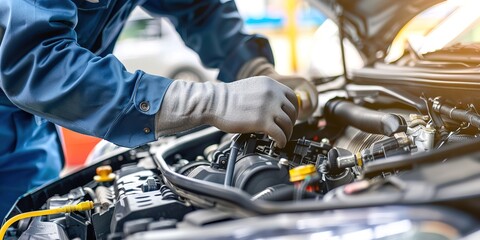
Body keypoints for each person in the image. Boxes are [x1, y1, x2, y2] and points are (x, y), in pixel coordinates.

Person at [0, 0, 317, 219]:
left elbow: (200, 7)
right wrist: (208, 101)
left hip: (31, 131)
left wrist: (251, 64)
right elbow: (38, 62)